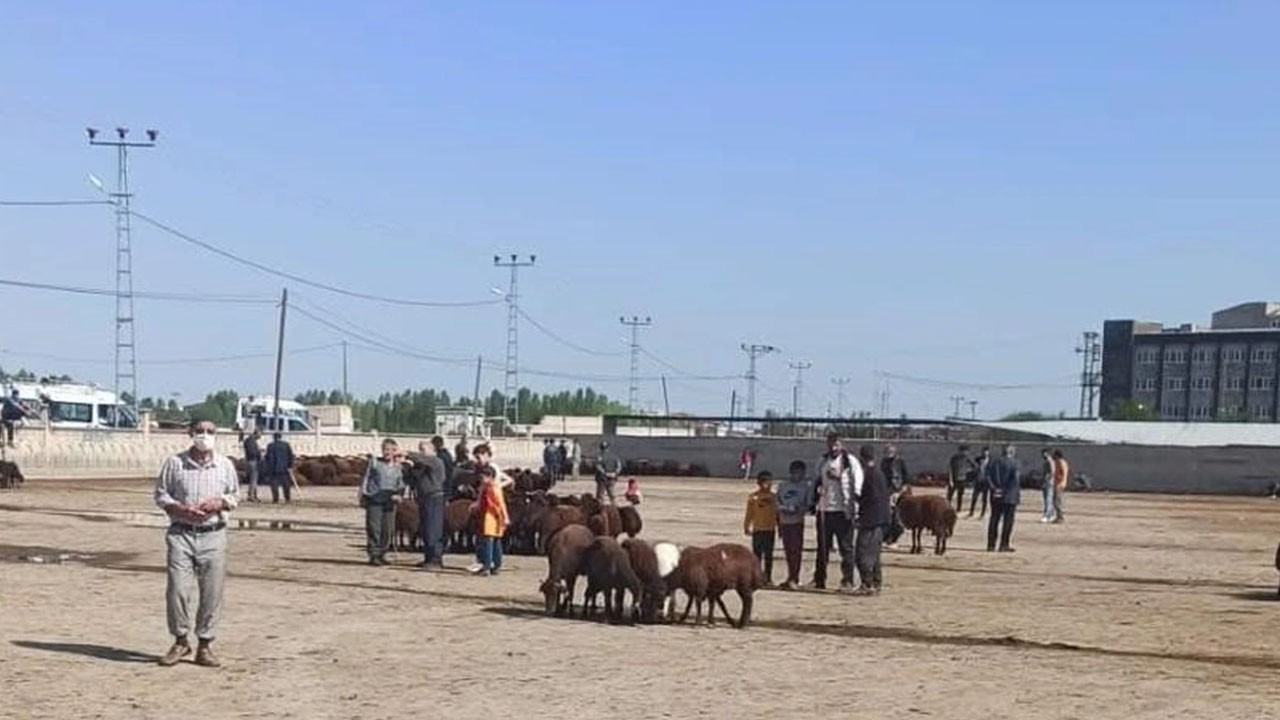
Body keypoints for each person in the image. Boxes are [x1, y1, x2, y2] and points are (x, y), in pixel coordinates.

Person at [153, 419, 240, 668]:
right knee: (177, 590)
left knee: (212, 592)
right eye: (200, 431)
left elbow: (235, 495)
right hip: (181, 534)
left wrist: (219, 503)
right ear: (190, 434)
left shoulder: (224, 466)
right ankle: (180, 640)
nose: (204, 435)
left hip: (214, 534)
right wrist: (179, 508)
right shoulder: (175, 464)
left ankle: (205, 644)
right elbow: (161, 494)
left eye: (210, 432)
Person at [811, 432, 862, 591]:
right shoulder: (822, 460)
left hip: (843, 510)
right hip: (825, 510)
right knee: (823, 547)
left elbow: (858, 484)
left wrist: (839, 477)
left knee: (846, 548)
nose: (833, 447)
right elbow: (816, 481)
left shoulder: (849, 461)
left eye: (836, 443)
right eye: (830, 443)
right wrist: (815, 495)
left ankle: (847, 580)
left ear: (842, 445)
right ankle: (819, 579)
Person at [359, 439, 406, 566]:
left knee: (387, 529)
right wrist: (363, 496)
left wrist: (400, 495)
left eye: (392, 450)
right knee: (374, 528)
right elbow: (366, 480)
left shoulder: (398, 466)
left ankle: (382, 553)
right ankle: (374, 554)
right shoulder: (374, 463)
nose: (388, 452)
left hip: (390, 500)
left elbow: (401, 484)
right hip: (375, 498)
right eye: (386, 449)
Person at [853, 445, 891, 595]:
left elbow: (870, 499)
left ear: (861, 458)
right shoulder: (879, 473)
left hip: (871, 521)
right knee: (874, 554)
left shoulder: (869, 475)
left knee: (863, 553)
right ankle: (876, 583)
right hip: (881, 519)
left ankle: (867, 583)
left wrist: (858, 503)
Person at [408, 441, 448, 569]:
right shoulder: (422, 466)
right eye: (420, 449)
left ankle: (436, 559)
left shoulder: (436, 462)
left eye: (423, 450)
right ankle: (428, 557)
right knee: (425, 529)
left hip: (434, 498)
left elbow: (422, 459)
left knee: (433, 529)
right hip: (423, 498)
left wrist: (407, 454)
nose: (421, 452)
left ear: (433, 450)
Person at [775, 460, 812, 590]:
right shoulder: (783, 485)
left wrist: (798, 509)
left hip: (796, 522)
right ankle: (790, 576)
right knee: (787, 550)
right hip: (784, 522)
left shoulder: (805, 487)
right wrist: (782, 510)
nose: (798, 475)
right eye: (796, 473)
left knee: (796, 551)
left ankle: (795, 577)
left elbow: (808, 506)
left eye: (801, 473)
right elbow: (777, 502)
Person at [470, 466, 508, 576]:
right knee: (495, 542)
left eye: (483, 477)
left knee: (489, 542)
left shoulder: (493, 488)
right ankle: (496, 566)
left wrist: (505, 517)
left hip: (491, 516)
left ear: (490, 477)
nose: (482, 479)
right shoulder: (489, 487)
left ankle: (487, 566)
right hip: (492, 516)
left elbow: (500, 504)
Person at [743, 471, 779, 586]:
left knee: (769, 555)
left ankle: (768, 578)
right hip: (758, 530)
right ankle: (756, 577)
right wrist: (746, 526)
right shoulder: (753, 497)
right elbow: (749, 513)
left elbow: (778, 513)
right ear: (759, 483)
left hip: (770, 530)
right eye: (765, 482)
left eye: (769, 482)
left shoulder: (774, 497)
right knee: (757, 556)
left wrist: (780, 527)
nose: (767, 485)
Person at [986, 445, 1022, 552]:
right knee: (1008, 521)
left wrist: (994, 489)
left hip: (995, 495)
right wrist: (1005, 491)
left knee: (994, 520)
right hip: (1010, 496)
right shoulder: (1015, 463)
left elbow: (987, 476)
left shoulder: (993, 462)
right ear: (1012, 452)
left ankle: (991, 545)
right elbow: (1015, 480)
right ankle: (1004, 544)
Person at [881, 445, 908, 546]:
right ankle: (887, 537)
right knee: (888, 514)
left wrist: (903, 487)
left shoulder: (899, 461)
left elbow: (905, 475)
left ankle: (893, 537)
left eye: (890, 452)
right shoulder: (884, 462)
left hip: (897, 489)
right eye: (886, 452)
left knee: (895, 514)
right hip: (887, 490)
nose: (888, 454)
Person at [262, 432, 295, 504]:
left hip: (274, 468)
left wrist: (267, 468)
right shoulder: (286, 445)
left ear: (274, 438)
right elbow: (291, 456)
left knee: (274, 485)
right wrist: (290, 466)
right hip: (284, 468)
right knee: (286, 485)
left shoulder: (270, 446)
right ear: (281, 437)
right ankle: (287, 498)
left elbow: (267, 458)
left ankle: (275, 499)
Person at [947, 444, 974, 513]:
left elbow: (975, 466)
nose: (966, 453)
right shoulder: (954, 458)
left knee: (960, 495)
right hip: (954, 479)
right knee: (950, 495)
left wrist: (967, 471)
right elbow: (950, 469)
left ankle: (959, 508)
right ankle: (947, 507)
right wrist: (950, 480)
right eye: (964, 451)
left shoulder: (967, 458)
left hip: (962, 479)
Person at [969, 446, 993, 518]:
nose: (985, 453)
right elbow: (973, 467)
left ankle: (982, 513)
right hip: (978, 481)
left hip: (985, 482)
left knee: (984, 498)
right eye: (984, 451)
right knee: (974, 497)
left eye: (986, 451)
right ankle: (971, 511)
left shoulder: (991, 460)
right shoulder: (978, 459)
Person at [241, 430, 263, 503]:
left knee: (253, 479)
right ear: (256, 434)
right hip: (253, 461)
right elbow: (252, 452)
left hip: (250, 461)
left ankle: (253, 495)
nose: (260, 436)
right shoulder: (251, 441)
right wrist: (259, 452)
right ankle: (251, 496)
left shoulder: (249, 440)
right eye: (260, 434)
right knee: (253, 480)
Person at [1051, 449, 1070, 523]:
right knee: (1057, 500)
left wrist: (1059, 480)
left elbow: (1062, 472)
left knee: (1057, 501)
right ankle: (1059, 516)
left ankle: (1060, 517)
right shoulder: (1063, 462)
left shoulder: (1060, 462)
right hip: (1061, 483)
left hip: (1059, 484)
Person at [1039, 448, 1056, 523]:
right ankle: (1051, 514)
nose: (1043, 455)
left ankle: (1047, 515)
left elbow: (1052, 472)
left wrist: (1047, 480)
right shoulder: (1046, 461)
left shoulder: (1050, 461)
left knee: (1048, 499)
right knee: (1047, 499)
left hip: (1048, 483)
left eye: (1044, 453)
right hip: (1046, 482)